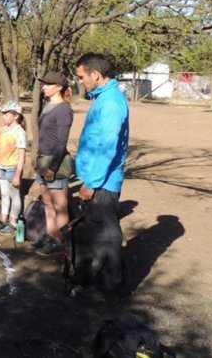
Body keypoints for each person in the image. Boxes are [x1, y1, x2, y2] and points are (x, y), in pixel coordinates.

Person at [72, 52, 129, 292]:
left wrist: (91, 183)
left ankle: (109, 286)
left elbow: (107, 146)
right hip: (95, 179)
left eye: (81, 76)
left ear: (95, 74)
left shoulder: (112, 103)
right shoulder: (103, 98)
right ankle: (88, 276)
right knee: (93, 233)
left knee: (107, 236)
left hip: (102, 183)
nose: (80, 81)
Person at [33, 72, 74, 255]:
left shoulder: (64, 109)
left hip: (54, 163)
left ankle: (61, 240)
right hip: (42, 161)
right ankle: (51, 236)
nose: (44, 87)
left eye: (48, 84)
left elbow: (61, 143)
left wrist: (53, 168)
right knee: (48, 203)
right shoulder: (48, 105)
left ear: (58, 86)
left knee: (60, 206)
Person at [0, 101, 27, 235]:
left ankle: (13, 222)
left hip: (12, 168)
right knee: (4, 194)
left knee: (14, 195)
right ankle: (3, 219)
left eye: (6, 114)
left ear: (16, 116)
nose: (3, 116)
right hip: (1, 166)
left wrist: (18, 174)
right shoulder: (3, 130)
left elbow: (22, 156)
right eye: (3, 114)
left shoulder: (20, 132)